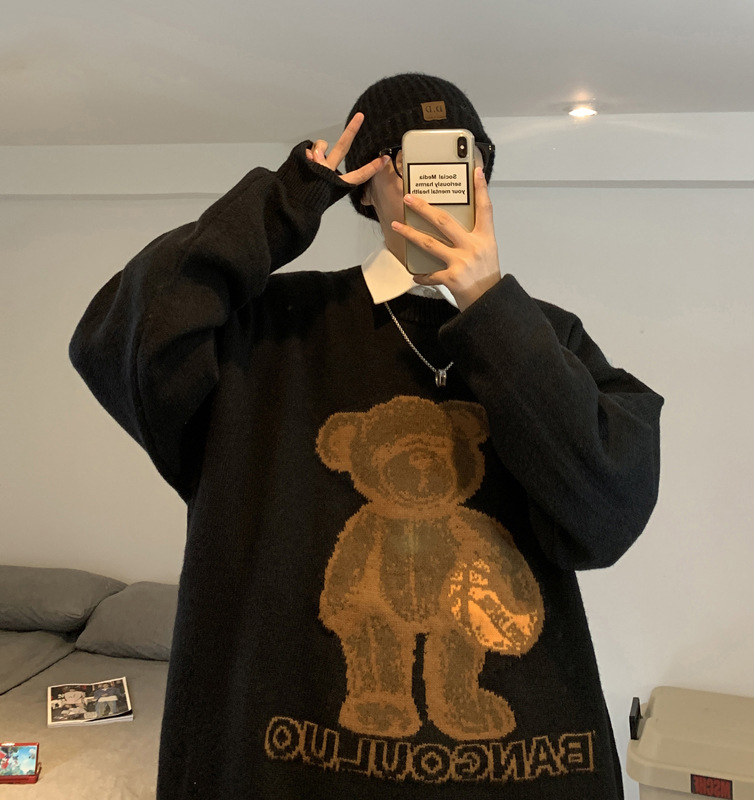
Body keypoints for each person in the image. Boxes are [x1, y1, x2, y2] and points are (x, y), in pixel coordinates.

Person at [70, 73, 663, 799]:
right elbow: (115, 339)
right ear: (364, 185)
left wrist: (490, 307)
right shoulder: (270, 329)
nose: (445, 179)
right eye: (409, 160)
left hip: (515, 776)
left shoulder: (549, 340)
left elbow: (608, 513)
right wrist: (286, 200)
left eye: (468, 158)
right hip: (279, 772)